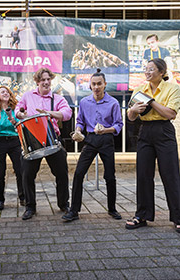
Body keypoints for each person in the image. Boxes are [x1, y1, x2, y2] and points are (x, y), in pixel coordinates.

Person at [126, 58, 180, 233]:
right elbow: (131, 116)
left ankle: (178, 218)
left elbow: (170, 113)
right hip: (145, 131)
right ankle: (142, 215)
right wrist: (133, 110)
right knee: (143, 174)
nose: (147, 72)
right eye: (146, 69)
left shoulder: (173, 88)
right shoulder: (139, 89)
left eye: (151, 69)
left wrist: (151, 101)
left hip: (164, 131)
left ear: (161, 72)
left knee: (170, 174)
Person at [62, 69, 123, 222]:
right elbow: (80, 121)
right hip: (90, 140)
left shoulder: (113, 103)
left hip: (107, 139)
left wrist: (106, 129)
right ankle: (74, 211)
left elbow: (119, 124)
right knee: (78, 173)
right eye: (94, 84)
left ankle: (112, 209)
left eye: (99, 84)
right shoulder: (84, 102)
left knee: (110, 175)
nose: (96, 87)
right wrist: (77, 131)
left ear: (105, 85)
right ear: (90, 85)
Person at [15, 67, 72, 220]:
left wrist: (49, 114)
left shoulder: (58, 98)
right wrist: (20, 113)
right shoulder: (27, 96)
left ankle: (63, 204)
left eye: (48, 79)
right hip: (32, 139)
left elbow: (67, 114)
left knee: (61, 173)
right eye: (43, 80)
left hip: (52, 138)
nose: (46, 82)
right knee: (27, 174)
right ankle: (30, 207)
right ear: (37, 81)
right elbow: (17, 110)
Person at [0, 86, 24, 210]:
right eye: (2, 92)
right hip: (0, 141)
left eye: (7, 92)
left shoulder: (15, 109)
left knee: (20, 170)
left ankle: (22, 197)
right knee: (0, 172)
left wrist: (13, 120)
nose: (6, 93)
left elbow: (21, 126)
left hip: (15, 141)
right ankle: (0, 200)